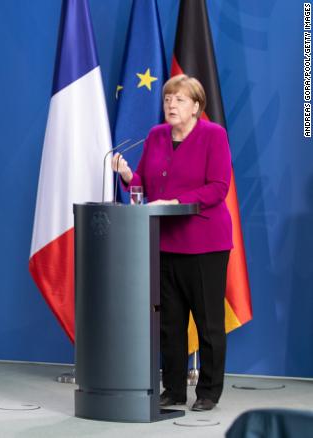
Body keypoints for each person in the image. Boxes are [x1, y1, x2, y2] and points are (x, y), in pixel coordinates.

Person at [112, 75, 232, 412]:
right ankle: (174, 389)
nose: (171, 105)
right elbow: (145, 186)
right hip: (164, 243)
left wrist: (179, 202)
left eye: (179, 100)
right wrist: (125, 176)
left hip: (205, 243)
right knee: (170, 324)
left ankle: (208, 392)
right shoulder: (155, 136)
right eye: (167, 99)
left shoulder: (214, 135)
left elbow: (218, 188)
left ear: (196, 107)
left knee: (208, 323)